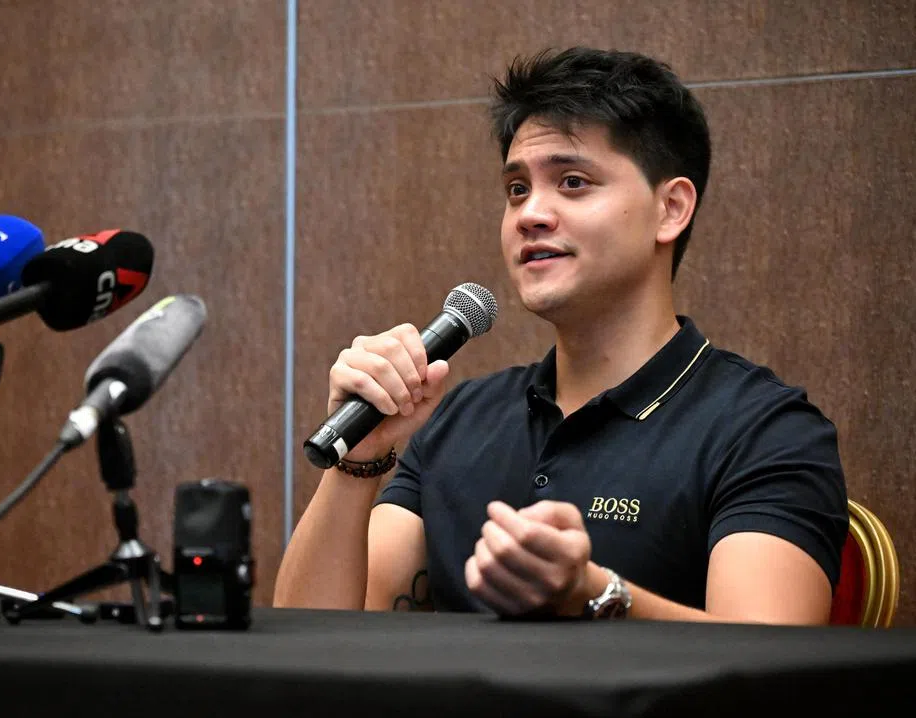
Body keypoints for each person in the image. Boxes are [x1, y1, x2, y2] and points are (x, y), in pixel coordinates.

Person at [274, 47, 848, 624]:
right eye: (517, 189)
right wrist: (359, 464)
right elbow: (307, 644)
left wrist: (594, 593)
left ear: (670, 209)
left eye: (572, 182)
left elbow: (770, 673)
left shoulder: (765, 430)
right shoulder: (460, 419)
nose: (530, 214)